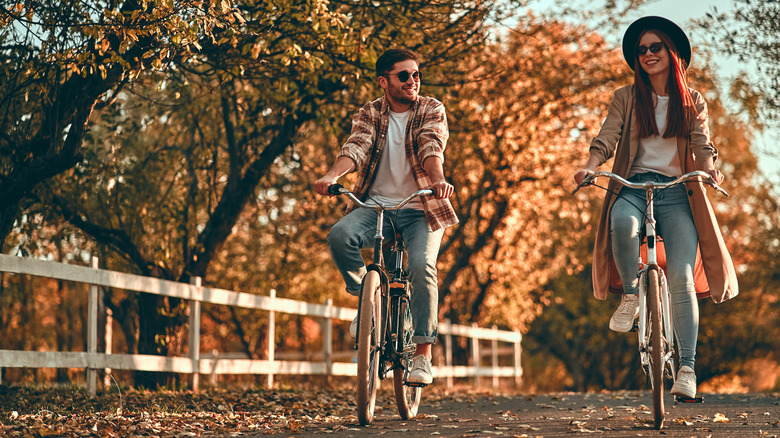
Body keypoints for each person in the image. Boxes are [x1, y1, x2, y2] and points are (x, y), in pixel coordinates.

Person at [573, 16, 738, 398]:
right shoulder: (626, 97)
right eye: (641, 50)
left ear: (671, 53)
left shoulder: (692, 100)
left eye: (654, 47)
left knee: (680, 276)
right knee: (623, 225)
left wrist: (710, 171)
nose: (647, 54)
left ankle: (686, 369)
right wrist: (591, 166)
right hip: (634, 184)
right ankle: (631, 295)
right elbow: (607, 136)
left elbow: (702, 144)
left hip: (679, 192)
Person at [314, 48, 457, 385]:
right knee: (339, 236)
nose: (413, 81)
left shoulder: (431, 108)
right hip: (374, 207)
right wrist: (332, 176)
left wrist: (437, 180)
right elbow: (356, 147)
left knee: (422, 266)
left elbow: (430, 144)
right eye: (404, 75)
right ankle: (368, 308)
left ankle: (422, 354)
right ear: (384, 81)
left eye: (416, 75)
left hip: (421, 208)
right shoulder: (371, 112)